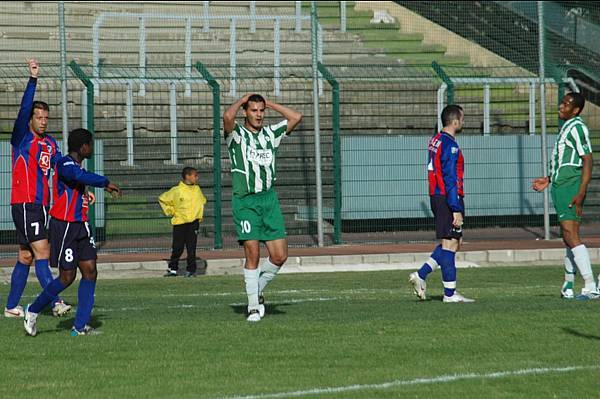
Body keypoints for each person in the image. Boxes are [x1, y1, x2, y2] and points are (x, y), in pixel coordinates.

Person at [24, 128, 121, 336]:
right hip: (64, 226)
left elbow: (79, 181)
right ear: (83, 146)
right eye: (91, 144)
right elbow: (76, 175)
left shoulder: (76, 166)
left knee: (90, 271)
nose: (92, 148)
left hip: (81, 225)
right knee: (67, 277)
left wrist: (86, 193)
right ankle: (32, 310)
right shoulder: (65, 163)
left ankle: (79, 326)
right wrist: (105, 183)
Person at [223, 93, 302, 321]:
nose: (258, 115)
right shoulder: (236, 134)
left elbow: (296, 117)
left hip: (269, 201)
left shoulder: (270, 134)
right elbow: (227, 116)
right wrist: (242, 99)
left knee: (280, 255)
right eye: (253, 110)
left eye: (261, 110)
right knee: (253, 252)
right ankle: (253, 307)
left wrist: (271, 104)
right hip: (246, 201)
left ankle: (256, 289)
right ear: (245, 112)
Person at [4, 59, 72, 318]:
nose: (43, 122)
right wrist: (33, 80)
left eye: (46, 118)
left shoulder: (51, 143)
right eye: (39, 117)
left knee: (25, 255)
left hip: (41, 206)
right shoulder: (22, 138)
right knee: (43, 251)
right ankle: (55, 302)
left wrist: (80, 187)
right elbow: (23, 109)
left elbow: (63, 168)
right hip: (25, 203)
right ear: (31, 119)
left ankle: (11, 307)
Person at [532, 92, 598, 300]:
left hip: (570, 187)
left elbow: (587, 159)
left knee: (571, 234)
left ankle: (590, 285)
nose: (561, 106)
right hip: (561, 185)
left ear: (576, 110)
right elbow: (565, 161)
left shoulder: (578, 127)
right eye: (562, 102)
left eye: (566, 104)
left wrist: (580, 192)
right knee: (566, 235)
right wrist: (550, 178)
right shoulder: (567, 127)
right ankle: (568, 284)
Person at [409, 104, 474, 303]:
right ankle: (450, 294)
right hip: (447, 197)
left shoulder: (436, 139)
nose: (463, 122)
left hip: (438, 195)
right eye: (462, 119)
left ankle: (421, 275)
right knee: (449, 244)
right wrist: (455, 208)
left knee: (455, 242)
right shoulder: (450, 145)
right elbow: (450, 177)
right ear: (455, 121)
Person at [159, 166, 207, 278]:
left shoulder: (197, 189)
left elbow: (202, 201)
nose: (197, 178)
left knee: (191, 248)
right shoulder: (177, 190)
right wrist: (171, 211)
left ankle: (191, 270)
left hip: (193, 223)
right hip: (180, 223)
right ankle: (173, 269)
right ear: (187, 176)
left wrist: (198, 215)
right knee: (177, 247)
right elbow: (162, 199)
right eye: (195, 175)